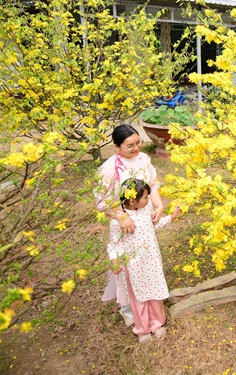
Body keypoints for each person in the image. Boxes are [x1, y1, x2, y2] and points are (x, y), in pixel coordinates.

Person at [96, 124, 165, 326]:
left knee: (148, 261)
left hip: (143, 218)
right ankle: (130, 309)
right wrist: (120, 216)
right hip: (125, 222)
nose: (136, 149)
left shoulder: (143, 159)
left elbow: (152, 184)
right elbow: (103, 203)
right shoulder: (108, 169)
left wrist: (159, 205)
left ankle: (153, 299)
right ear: (117, 147)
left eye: (138, 143)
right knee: (128, 266)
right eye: (129, 146)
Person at [107, 178, 181, 342]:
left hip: (151, 262)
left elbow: (154, 225)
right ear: (133, 201)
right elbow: (114, 244)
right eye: (146, 198)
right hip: (134, 266)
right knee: (139, 298)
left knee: (154, 294)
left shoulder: (145, 211)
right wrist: (114, 261)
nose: (149, 201)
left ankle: (157, 324)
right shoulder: (120, 220)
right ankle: (143, 329)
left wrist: (172, 217)